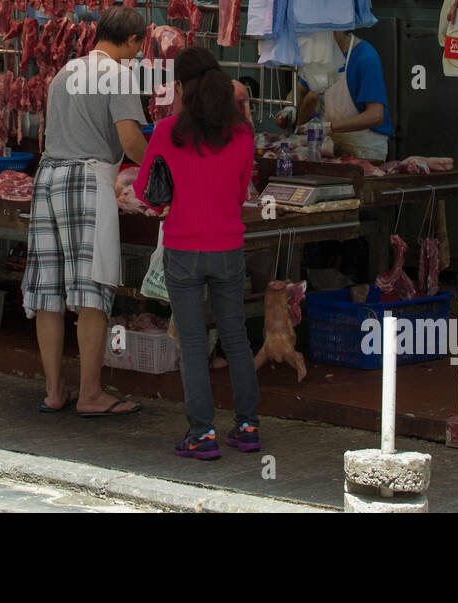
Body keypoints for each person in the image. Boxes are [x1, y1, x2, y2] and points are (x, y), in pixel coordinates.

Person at [136, 47, 259, 458]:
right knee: (236, 338)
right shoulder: (242, 134)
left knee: (192, 342)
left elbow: (143, 190)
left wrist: (167, 206)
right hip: (228, 248)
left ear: (182, 89)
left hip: (183, 249)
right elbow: (242, 192)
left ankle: (202, 435)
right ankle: (246, 427)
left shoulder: (167, 131)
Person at [24, 5, 147, 416]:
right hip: (87, 179)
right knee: (92, 290)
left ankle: (54, 392)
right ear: (130, 40)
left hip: (48, 178)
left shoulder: (65, 73)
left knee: (48, 291)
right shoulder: (119, 75)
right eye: (138, 47)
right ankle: (91, 394)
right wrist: (159, 171)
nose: (137, 55)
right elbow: (130, 141)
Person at [275, 30, 392, 161]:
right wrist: (289, 108)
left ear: (341, 29)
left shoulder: (365, 58)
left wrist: (329, 127)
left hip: (365, 151)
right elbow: (300, 91)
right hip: (332, 148)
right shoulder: (324, 55)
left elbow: (375, 116)